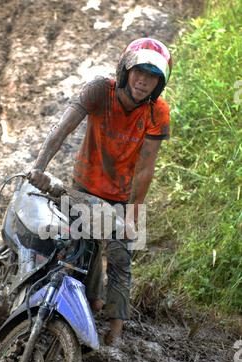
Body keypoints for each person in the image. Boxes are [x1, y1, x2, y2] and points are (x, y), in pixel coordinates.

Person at [28, 38, 172, 346]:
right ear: (124, 70)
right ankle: (80, 306)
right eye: (138, 71)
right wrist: (38, 168)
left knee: (121, 256)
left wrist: (133, 214)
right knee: (79, 249)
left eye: (152, 75)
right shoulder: (99, 91)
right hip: (85, 185)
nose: (143, 80)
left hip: (122, 196)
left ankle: (115, 330)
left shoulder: (157, 113)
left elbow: (146, 167)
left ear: (160, 83)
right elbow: (61, 128)